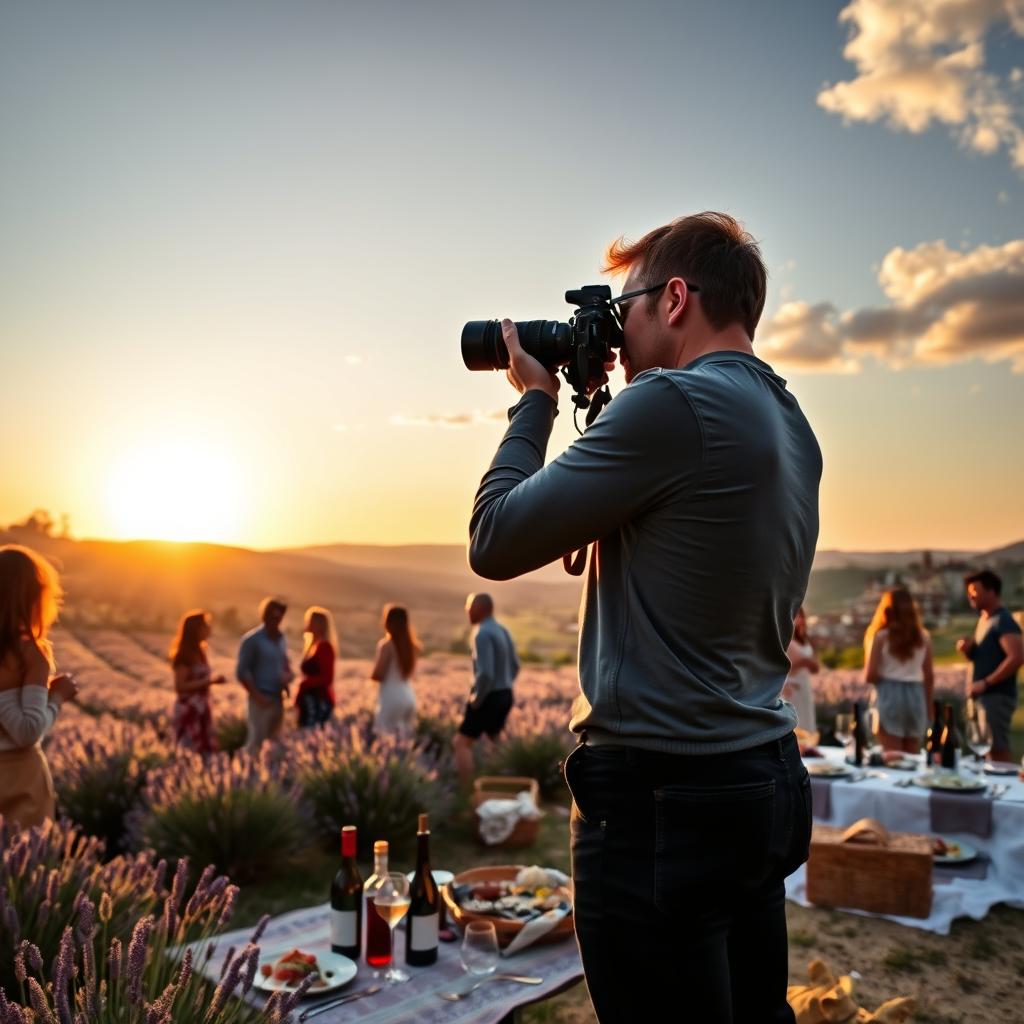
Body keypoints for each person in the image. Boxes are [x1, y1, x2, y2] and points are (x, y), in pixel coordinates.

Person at [468, 212, 821, 1023]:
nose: (616, 329)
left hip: (664, 799)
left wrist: (535, 401)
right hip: (759, 774)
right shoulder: (789, 421)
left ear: (674, 299)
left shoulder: (673, 403)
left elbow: (493, 538)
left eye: (624, 304)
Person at [0, 545, 79, 828]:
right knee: (22, 869)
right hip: (18, 782)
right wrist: (56, 697)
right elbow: (27, 731)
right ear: (33, 597)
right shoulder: (29, 652)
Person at [453, 593, 519, 787]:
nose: (467, 612)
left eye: (469, 608)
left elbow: (486, 674)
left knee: (461, 743)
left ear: (480, 609)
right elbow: (515, 666)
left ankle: (466, 791)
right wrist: (505, 684)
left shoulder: (482, 633)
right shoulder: (502, 630)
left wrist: (477, 699)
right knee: (495, 741)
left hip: (489, 696)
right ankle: (503, 785)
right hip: (506, 693)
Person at [957, 569, 1022, 764]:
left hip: (996, 696)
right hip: (982, 696)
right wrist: (970, 651)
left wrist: (986, 683)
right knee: (985, 753)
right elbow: (988, 657)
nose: (970, 595)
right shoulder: (985, 620)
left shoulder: (1004, 621)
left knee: (997, 752)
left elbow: (1017, 657)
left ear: (992, 591)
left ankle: (1008, 793)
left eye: (974, 590)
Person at [862, 588, 934, 754]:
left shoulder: (881, 636)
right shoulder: (923, 637)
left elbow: (870, 675)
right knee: (912, 758)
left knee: (892, 756)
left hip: (889, 694)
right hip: (916, 696)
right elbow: (929, 676)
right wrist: (929, 708)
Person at [236, 597, 293, 753]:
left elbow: (284, 663)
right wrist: (258, 696)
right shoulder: (252, 640)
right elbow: (241, 672)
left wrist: (287, 680)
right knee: (255, 743)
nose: (277, 620)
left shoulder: (281, 639)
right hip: (260, 700)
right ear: (265, 616)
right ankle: (245, 772)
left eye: (280, 617)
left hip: (277, 698)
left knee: (274, 744)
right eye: (273, 616)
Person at [170, 610, 227, 754]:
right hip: (189, 710)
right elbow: (180, 686)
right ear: (196, 630)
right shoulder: (184, 655)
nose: (209, 629)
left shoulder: (200, 652)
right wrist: (208, 682)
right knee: (189, 751)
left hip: (201, 709)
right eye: (205, 625)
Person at [370, 604, 419, 739]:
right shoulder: (410, 646)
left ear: (388, 622)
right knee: (405, 740)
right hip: (409, 697)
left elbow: (378, 674)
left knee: (385, 739)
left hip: (391, 697)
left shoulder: (386, 645)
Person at [295, 606, 337, 728]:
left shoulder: (324, 647)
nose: (307, 624)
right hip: (311, 699)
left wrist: (304, 684)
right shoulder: (314, 645)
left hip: (317, 700)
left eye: (310, 621)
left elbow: (327, 678)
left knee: (311, 733)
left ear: (319, 625)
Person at [783, 607, 819, 734]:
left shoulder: (804, 641)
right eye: (796, 616)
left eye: (801, 616)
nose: (799, 620)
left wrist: (805, 661)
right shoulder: (787, 641)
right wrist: (805, 661)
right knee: (797, 723)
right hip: (793, 687)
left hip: (804, 686)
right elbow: (788, 666)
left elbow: (815, 667)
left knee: (807, 720)